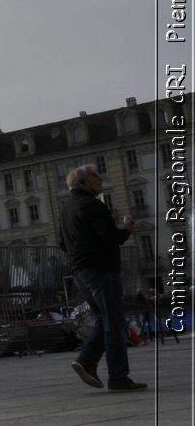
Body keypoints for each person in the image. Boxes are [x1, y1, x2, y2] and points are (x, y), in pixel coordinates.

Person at [61, 164, 145, 392]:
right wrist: (127, 230)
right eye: (96, 176)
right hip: (102, 270)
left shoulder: (66, 208)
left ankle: (86, 361)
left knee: (103, 319)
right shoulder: (93, 205)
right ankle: (118, 378)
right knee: (115, 323)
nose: (101, 179)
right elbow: (110, 238)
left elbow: (62, 242)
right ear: (83, 182)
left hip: (80, 271)